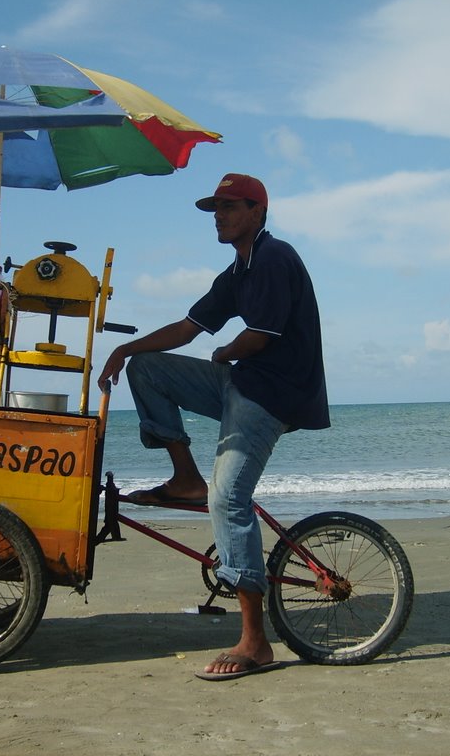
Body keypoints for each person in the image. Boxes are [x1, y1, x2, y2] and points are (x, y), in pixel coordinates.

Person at [98, 173, 330, 680]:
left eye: (228, 206)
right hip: (240, 384)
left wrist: (224, 352)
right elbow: (187, 328)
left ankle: (254, 642)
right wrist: (125, 348)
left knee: (228, 499)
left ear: (257, 211)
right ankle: (185, 479)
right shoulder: (237, 272)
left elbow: (261, 335)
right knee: (149, 369)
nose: (219, 216)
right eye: (215, 208)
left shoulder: (274, 258)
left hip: (272, 395)